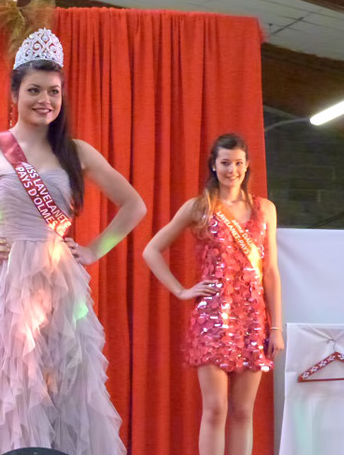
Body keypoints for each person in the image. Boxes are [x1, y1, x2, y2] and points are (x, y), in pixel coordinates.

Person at [0, 28, 146, 455]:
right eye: (34, 90)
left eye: (54, 91)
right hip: (0, 287)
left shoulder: (76, 152)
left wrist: (94, 250)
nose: (45, 100)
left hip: (60, 287)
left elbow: (134, 205)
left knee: (61, 390)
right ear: (15, 93)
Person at [142, 133, 284, 455]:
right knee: (216, 408)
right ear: (214, 165)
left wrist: (276, 327)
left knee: (243, 411)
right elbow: (151, 250)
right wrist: (181, 290)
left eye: (238, 163)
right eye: (225, 163)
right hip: (212, 318)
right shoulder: (200, 207)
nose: (232, 170)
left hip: (253, 319)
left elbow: (271, 271)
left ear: (247, 165)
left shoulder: (265, 209)